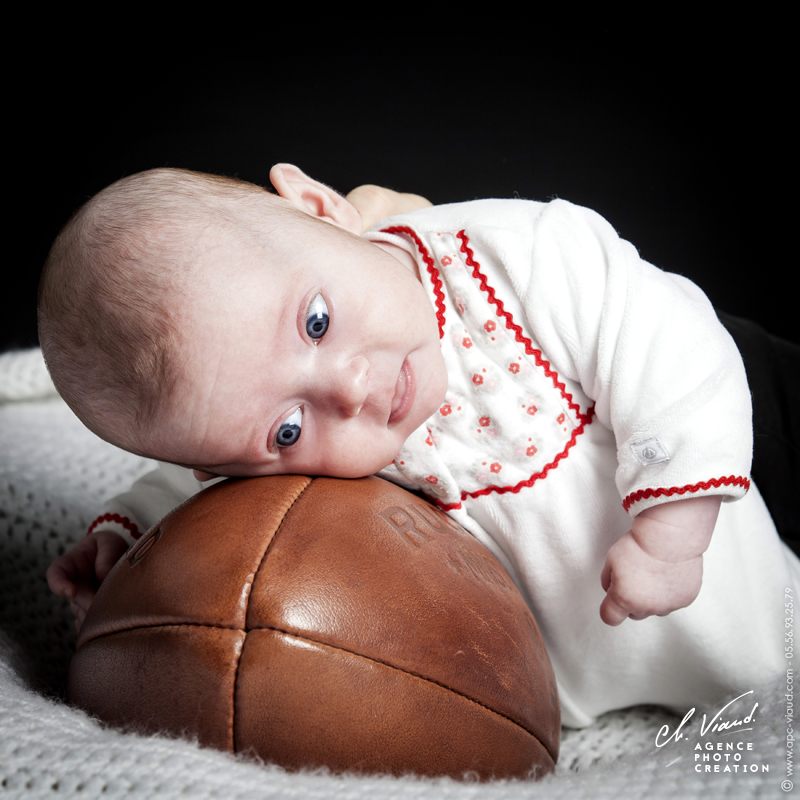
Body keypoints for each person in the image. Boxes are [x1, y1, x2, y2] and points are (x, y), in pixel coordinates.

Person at [40, 165, 799, 727]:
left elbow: (667, 338)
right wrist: (130, 535)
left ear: (323, 210)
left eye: (315, 322)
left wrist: (675, 526)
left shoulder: (513, 258)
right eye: (287, 428)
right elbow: (222, 512)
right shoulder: (299, 457)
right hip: (606, 673)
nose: (349, 387)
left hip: (738, 526)